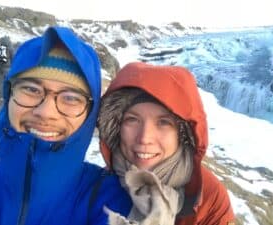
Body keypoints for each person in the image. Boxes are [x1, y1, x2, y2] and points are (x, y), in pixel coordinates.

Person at [0, 26, 131, 225]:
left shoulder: (109, 201)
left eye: (71, 98)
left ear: (90, 113)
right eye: (31, 89)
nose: (46, 112)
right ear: (9, 95)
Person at [98, 62, 235, 225]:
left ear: (182, 134)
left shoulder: (209, 196)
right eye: (132, 120)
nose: (144, 138)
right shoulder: (96, 187)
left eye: (163, 122)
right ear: (117, 127)